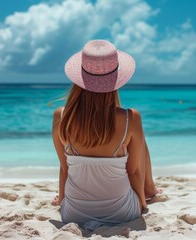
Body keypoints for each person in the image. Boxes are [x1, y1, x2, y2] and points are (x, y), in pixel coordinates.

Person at [51, 40, 160, 230]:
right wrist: (141, 203)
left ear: (79, 79)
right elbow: (133, 172)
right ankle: (150, 188)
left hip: (73, 214)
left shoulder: (61, 116)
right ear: (116, 80)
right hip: (122, 213)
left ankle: (149, 188)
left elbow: (65, 169)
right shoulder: (130, 118)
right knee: (138, 140)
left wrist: (62, 199)